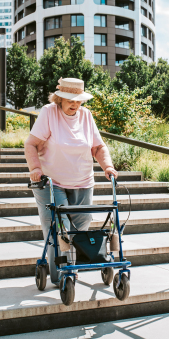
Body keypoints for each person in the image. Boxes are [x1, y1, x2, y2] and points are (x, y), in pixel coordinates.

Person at [24, 77, 118, 285]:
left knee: (81, 226)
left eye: (78, 100)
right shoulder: (49, 113)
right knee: (61, 229)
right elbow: (31, 144)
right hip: (51, 182)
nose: (75, 104)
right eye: (70, 100)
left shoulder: (86, 116)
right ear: (59, 98)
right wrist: (35, 169)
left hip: (83, 181)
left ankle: (73, 267)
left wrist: (107, 166)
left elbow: (98, 147)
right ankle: (62, 275)